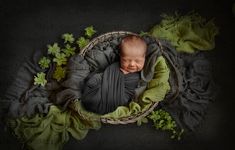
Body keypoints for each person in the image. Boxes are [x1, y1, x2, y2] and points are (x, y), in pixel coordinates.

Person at [81, 35, 147, 114]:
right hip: (99, 91)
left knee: (123, 101)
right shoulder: (114, 67)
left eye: (137, 61)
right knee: (92, 83)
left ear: (144, 58)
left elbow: (135, 92)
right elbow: (102, 76)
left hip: (120, 98)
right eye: (126, 60)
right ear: (120, 57)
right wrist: (94, 81)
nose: (132, 64)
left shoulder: (142, 74)